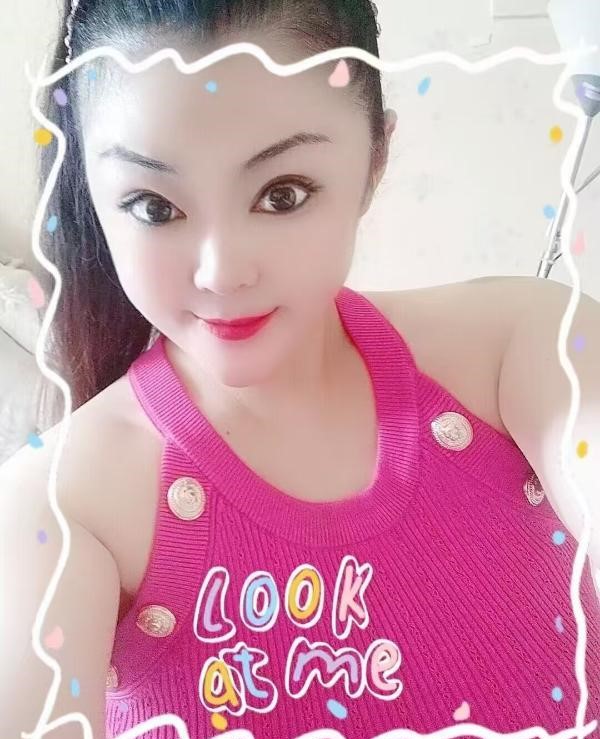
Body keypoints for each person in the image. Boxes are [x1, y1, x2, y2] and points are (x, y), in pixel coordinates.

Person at [1, 1, 599, 738]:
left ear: (374, 161)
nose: (222, 272)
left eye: (282, 194)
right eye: (153, 206)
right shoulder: (58, 508)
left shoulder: (525, 342)